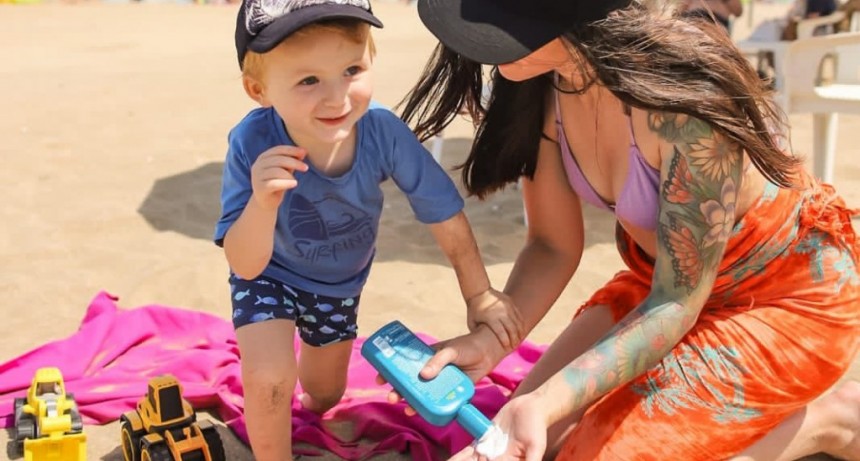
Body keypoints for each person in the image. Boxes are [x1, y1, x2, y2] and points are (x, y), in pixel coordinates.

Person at [395, 0, 860, 459]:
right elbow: (552, 246)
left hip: (784, 298)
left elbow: (677, 302)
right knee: (520, 440)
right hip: (661, 288)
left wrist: (541, 401)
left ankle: (830, 420)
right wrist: (491, 342)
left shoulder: (679, 102)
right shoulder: (547, 79)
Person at [214, 0, 524, 458]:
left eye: (352, 69)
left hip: (337, 287)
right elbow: (244, 262)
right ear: (258, 89)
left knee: (323, 396)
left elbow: (442, 212)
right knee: (269, 377)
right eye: (308, 80)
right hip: (269, 276)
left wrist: (478, 294)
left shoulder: (382, 132)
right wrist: (262, 204)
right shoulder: (252, 142)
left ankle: (308, 387)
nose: (337, 97)